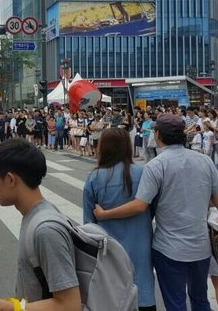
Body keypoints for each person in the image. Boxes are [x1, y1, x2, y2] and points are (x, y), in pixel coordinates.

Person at [93, 114, 218, 311]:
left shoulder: (156, 164)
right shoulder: (204, 160)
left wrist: (105, 214)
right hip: (200, 246)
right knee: (200, 299)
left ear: (158, 134)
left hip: (169, 248)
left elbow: (140, 206)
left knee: (176, 303)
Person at [0, 138, 81, 311]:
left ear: (11, 180)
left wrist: (3, 307)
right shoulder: (35, 215)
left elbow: (69, 305)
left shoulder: (46, 230)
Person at [85, 128, 155, 310]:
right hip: (140, 245)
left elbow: (89, 225)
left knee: (112, 297)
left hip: (109, 251)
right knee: (143, 293)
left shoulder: (94, 178)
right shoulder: (142, 174)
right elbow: (151, 209)